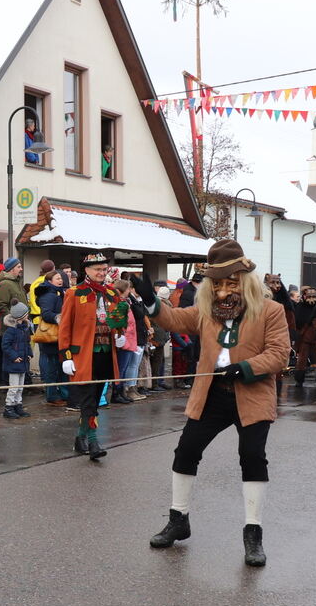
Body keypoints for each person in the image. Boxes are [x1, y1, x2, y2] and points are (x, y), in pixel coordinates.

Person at [134, 239, 291, 567]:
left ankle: (253, 532)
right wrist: (150, 302)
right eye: (216, 283)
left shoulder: (271, 311)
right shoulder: (205, 311)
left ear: (245, 281)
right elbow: (175, 320)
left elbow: (278, 353)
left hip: (251, 394)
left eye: (230, 282)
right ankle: (179, 520)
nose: (223, 290)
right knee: (186, 451)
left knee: (251, 457)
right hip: (211, 394)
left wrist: (245, 367)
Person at [58, 252, 128, 460]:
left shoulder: (112, 293)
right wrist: (66, 356)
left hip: (105, 355)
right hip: (83, 357)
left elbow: (117, 320)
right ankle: (94, 441)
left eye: (103, 269)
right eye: (97, 269)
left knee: (94, 401)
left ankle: (81, 438)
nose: (101, 273)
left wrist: (120, 334)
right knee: (88, 400)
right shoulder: (74, 293)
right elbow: (65, 327)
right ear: (86, 270)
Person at [35, 269, 68, 406]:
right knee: (52, 368)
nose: (60, 281)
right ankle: (52, 396)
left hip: (58, 336)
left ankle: (63, 394)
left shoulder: (58, 293)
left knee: (60, 367)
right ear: (49, 281)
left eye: (61, 278)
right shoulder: (49, 295)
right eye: (57, 279)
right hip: (51, 337)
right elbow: (46, 314)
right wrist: (58, 317)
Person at [0, 300, 34, 419]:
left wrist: (29, 353)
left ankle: (18, 405)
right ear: (21, 316)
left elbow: (27, 343)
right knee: (14, 387)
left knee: (20, 387)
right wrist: (14, 356)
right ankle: (9, 406)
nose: (28, 315)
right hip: (14, 363)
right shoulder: (11, 331)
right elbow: (5, 346)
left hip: (23, 362)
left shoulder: (24, 329)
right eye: (26, 313)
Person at [292, 287, 316, 387]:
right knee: (302, 360)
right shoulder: (300, 306)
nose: (311, 298)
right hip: (304, 337)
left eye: (314, 296)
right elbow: (297, 320)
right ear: (304, 296)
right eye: (309, 296)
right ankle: (299, 380)